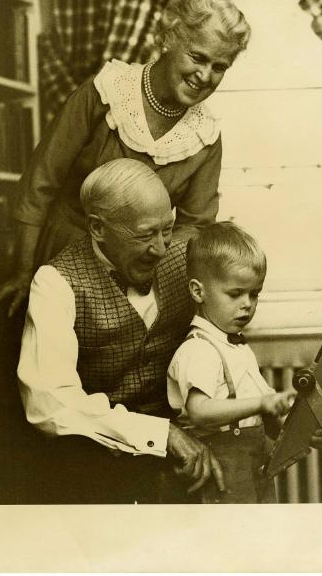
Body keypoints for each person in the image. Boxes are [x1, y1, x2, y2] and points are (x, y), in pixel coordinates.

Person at [0, 0, 252, 317]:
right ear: (168, 39)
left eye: (219, 66)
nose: (204, 75)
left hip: (141, 281)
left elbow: (195, 227)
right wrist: (24, 271)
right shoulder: (104, 94)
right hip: (61, 261)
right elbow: (39, 185)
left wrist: (149, 278)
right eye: (197, 57)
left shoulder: (205, 136)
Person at [17, 158, 225, 503]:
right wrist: (161, 434)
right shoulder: (54, 283)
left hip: (189, 462)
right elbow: (49, 404)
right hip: (100, 469)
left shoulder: (187, 258)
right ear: (98, 228)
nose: (161, 249)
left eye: (167, 229)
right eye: (145, 234)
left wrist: (265, 410)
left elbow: (225, 336)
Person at [167, 222, 322, 504]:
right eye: (235, 293)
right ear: (198, 291)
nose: (247, 304)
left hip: (251, 464)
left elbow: (261, 402)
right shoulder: (198, 350)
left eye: (254, 294)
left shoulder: (235, 346)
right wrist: (261, 405)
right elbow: (200, 411)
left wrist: (299, 424)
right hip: (222, 470)